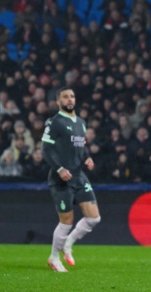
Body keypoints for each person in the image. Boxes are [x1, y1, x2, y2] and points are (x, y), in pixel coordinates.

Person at [42, 87, 101, 272]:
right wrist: (59, 169)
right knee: (66, 221)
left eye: (72, 96)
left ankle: (68, 243)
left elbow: (80, 148)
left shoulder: (81, 123)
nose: (70, 99)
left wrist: (87, 158)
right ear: (58, 102)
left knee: (94, 218)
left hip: (78, 176)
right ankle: (54, 258)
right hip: (61, 179)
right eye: (66, 97)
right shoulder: (55, 122)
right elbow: (46, 149)